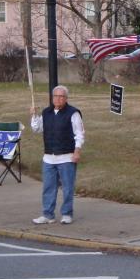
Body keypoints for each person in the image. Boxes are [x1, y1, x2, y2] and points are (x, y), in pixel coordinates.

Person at [30, 85, 84, 225]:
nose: (58, 99)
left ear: (66, 98)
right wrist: (34, 115)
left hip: (66, 156)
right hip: (49, 157)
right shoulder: (46, 112)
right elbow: (37, 129)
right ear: (52, 98)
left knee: (67, 187)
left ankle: (67, 213)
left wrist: (77, 151)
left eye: (61, 96)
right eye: (56, 96)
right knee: (48, 187)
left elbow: (79, 134)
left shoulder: (73, 113)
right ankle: (48, 214)